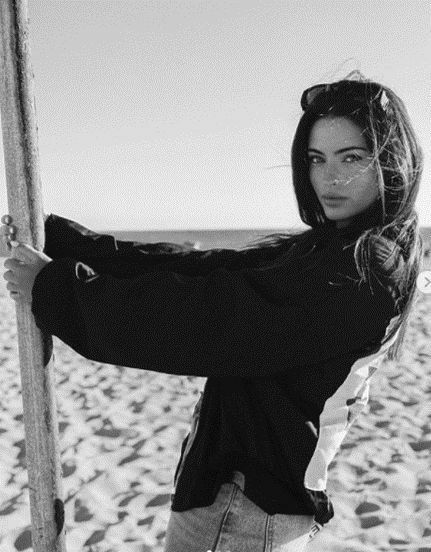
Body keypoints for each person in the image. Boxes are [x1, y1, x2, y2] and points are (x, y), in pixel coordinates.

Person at [1, 71, 423, 551]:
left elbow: (208, 322)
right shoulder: (336, 248)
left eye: (352, 158)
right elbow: (206, 270)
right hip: (246, 504)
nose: (329, 177)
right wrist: (64, 242)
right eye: (316, 159)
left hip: (244, 513)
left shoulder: (362, 267)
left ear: (391, 161)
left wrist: (58, 292)